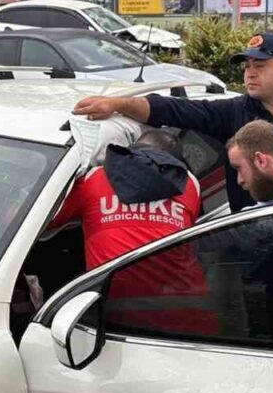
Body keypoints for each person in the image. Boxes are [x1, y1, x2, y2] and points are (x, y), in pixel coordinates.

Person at [73, 31, 273, 213]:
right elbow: (176, 110)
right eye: (247, 67)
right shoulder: (234, 113)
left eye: (259, 66)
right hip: (258, 245)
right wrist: (119, 104)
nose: (250, 74)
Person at [50, 129, 209, 333]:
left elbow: (45, 220)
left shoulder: (94, 179)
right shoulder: (189, 184)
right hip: (186, 307)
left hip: (117, 310)